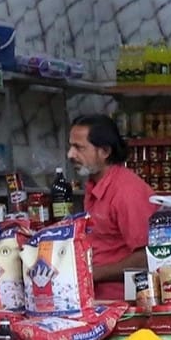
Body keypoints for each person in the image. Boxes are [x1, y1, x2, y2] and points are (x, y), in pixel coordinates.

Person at [67, 114, 157, 283]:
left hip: (122, 301)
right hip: (96, 297)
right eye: (71, 146)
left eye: (79, 148)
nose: (70, 154)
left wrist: (92, 275)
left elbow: (147, 257)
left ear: (105, 151)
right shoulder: (95, 184)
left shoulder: (127, 191)